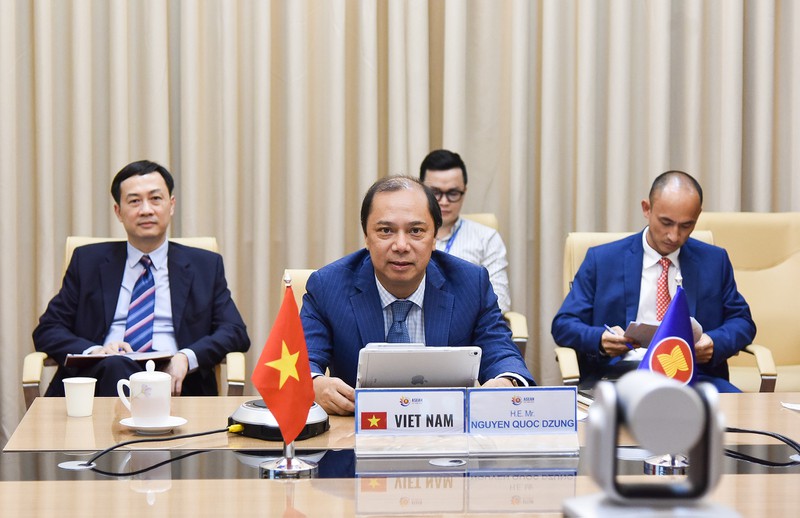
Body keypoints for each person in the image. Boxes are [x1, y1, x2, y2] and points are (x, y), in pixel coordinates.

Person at [302, 176, 534, 415]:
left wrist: (506, 382)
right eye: (385, 231)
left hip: (446, 429)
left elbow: (501, 353)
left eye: (416, 231)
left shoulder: (471, 284)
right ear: (366, 237)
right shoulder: (327, 287)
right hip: (358, 428)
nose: (401, 245)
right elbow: (302, 363)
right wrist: (314, 385)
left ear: (434, 238)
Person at [33, 160, 250, 396]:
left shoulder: (204, 265)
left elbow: (234, 331)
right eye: (135, 201)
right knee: (116, 365)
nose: (146, 210)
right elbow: (48, 329)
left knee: (122, 368)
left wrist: (187, 357)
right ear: (118, 211)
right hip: (100, 381)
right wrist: (95, 351)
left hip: (176, 384)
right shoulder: (87, 262)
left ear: (171, 205)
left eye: (155, 199)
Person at [551, 170, 756, 393]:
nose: (674, 236)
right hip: (620, 376)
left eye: (686, 225)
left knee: (743, 411)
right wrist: (600, 339)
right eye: (666, 222)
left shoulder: (714, 261)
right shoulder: (602, 260)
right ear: (647, 209)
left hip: (695, 376)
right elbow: (563, 325)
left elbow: (743, 322)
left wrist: (714, 342)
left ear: (698, 216)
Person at [419, 149, 511, 312]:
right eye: (435, 193)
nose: (444, 202)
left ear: (464, 192)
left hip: (467, 323)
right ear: (421, 191)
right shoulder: (403, 236)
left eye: (453, 193)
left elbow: (499, 302)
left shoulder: (486, 238)